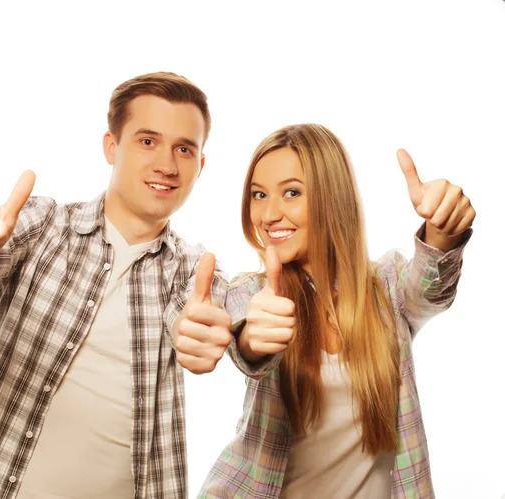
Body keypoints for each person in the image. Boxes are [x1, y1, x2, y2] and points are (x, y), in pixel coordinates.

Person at [0, 72, 232, 499]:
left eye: (184, 148)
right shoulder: (45, 226)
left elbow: (216, 316)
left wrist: (216, 337)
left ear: (199, 165)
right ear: (112, 146)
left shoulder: (193, 270)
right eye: (148, 141)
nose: (167, 164)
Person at [197, 124, 475, 498]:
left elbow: (431, 289)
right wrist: (253, 338)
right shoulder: (251, 291)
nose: (268, 214)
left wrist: (443, 231)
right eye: (258, 195)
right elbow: (245, 339)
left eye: (291, 192)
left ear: (333, 197)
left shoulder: (388, 285)